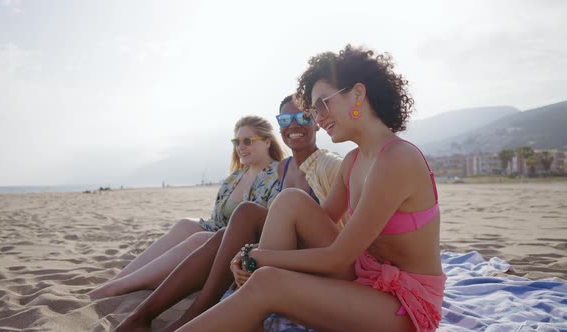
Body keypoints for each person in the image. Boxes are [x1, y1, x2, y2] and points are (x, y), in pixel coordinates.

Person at [176, 45, 446, 332]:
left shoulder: (396, 159)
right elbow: (317, 223)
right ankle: (252, 301)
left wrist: (259, 257)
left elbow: (337, 257)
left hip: (404, 304)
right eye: (314, 109)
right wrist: (252, 254)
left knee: (269, 281)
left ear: (357, 94)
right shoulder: (354, 161)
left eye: (322, 105)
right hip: (365, 274)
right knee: (290, 200)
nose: (317, 117)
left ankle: (255, 294)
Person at [113, 95, 344, 331]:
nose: (293, 124)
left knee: (244, 214)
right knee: (220, 236)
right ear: (279, 125)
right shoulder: (284, 167)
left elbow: (333, 232)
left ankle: (195, 313)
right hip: (284, 244)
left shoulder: (329, 165)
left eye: (302, 116)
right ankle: (142, 316)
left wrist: (255, 254)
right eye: (285, 118)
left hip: (309, 257)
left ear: (316, 120)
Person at [88, 115, 283, 299]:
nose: (241, 147)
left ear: (267, 142)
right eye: (236, 142)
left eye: (248, 141)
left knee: (199, 239)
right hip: (218, 238)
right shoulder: (234, 178)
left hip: (242, 250)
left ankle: (120, 287)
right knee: (185, 225)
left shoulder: (279, 174)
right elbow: (215, 222)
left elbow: (271, 228)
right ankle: (118, 280)